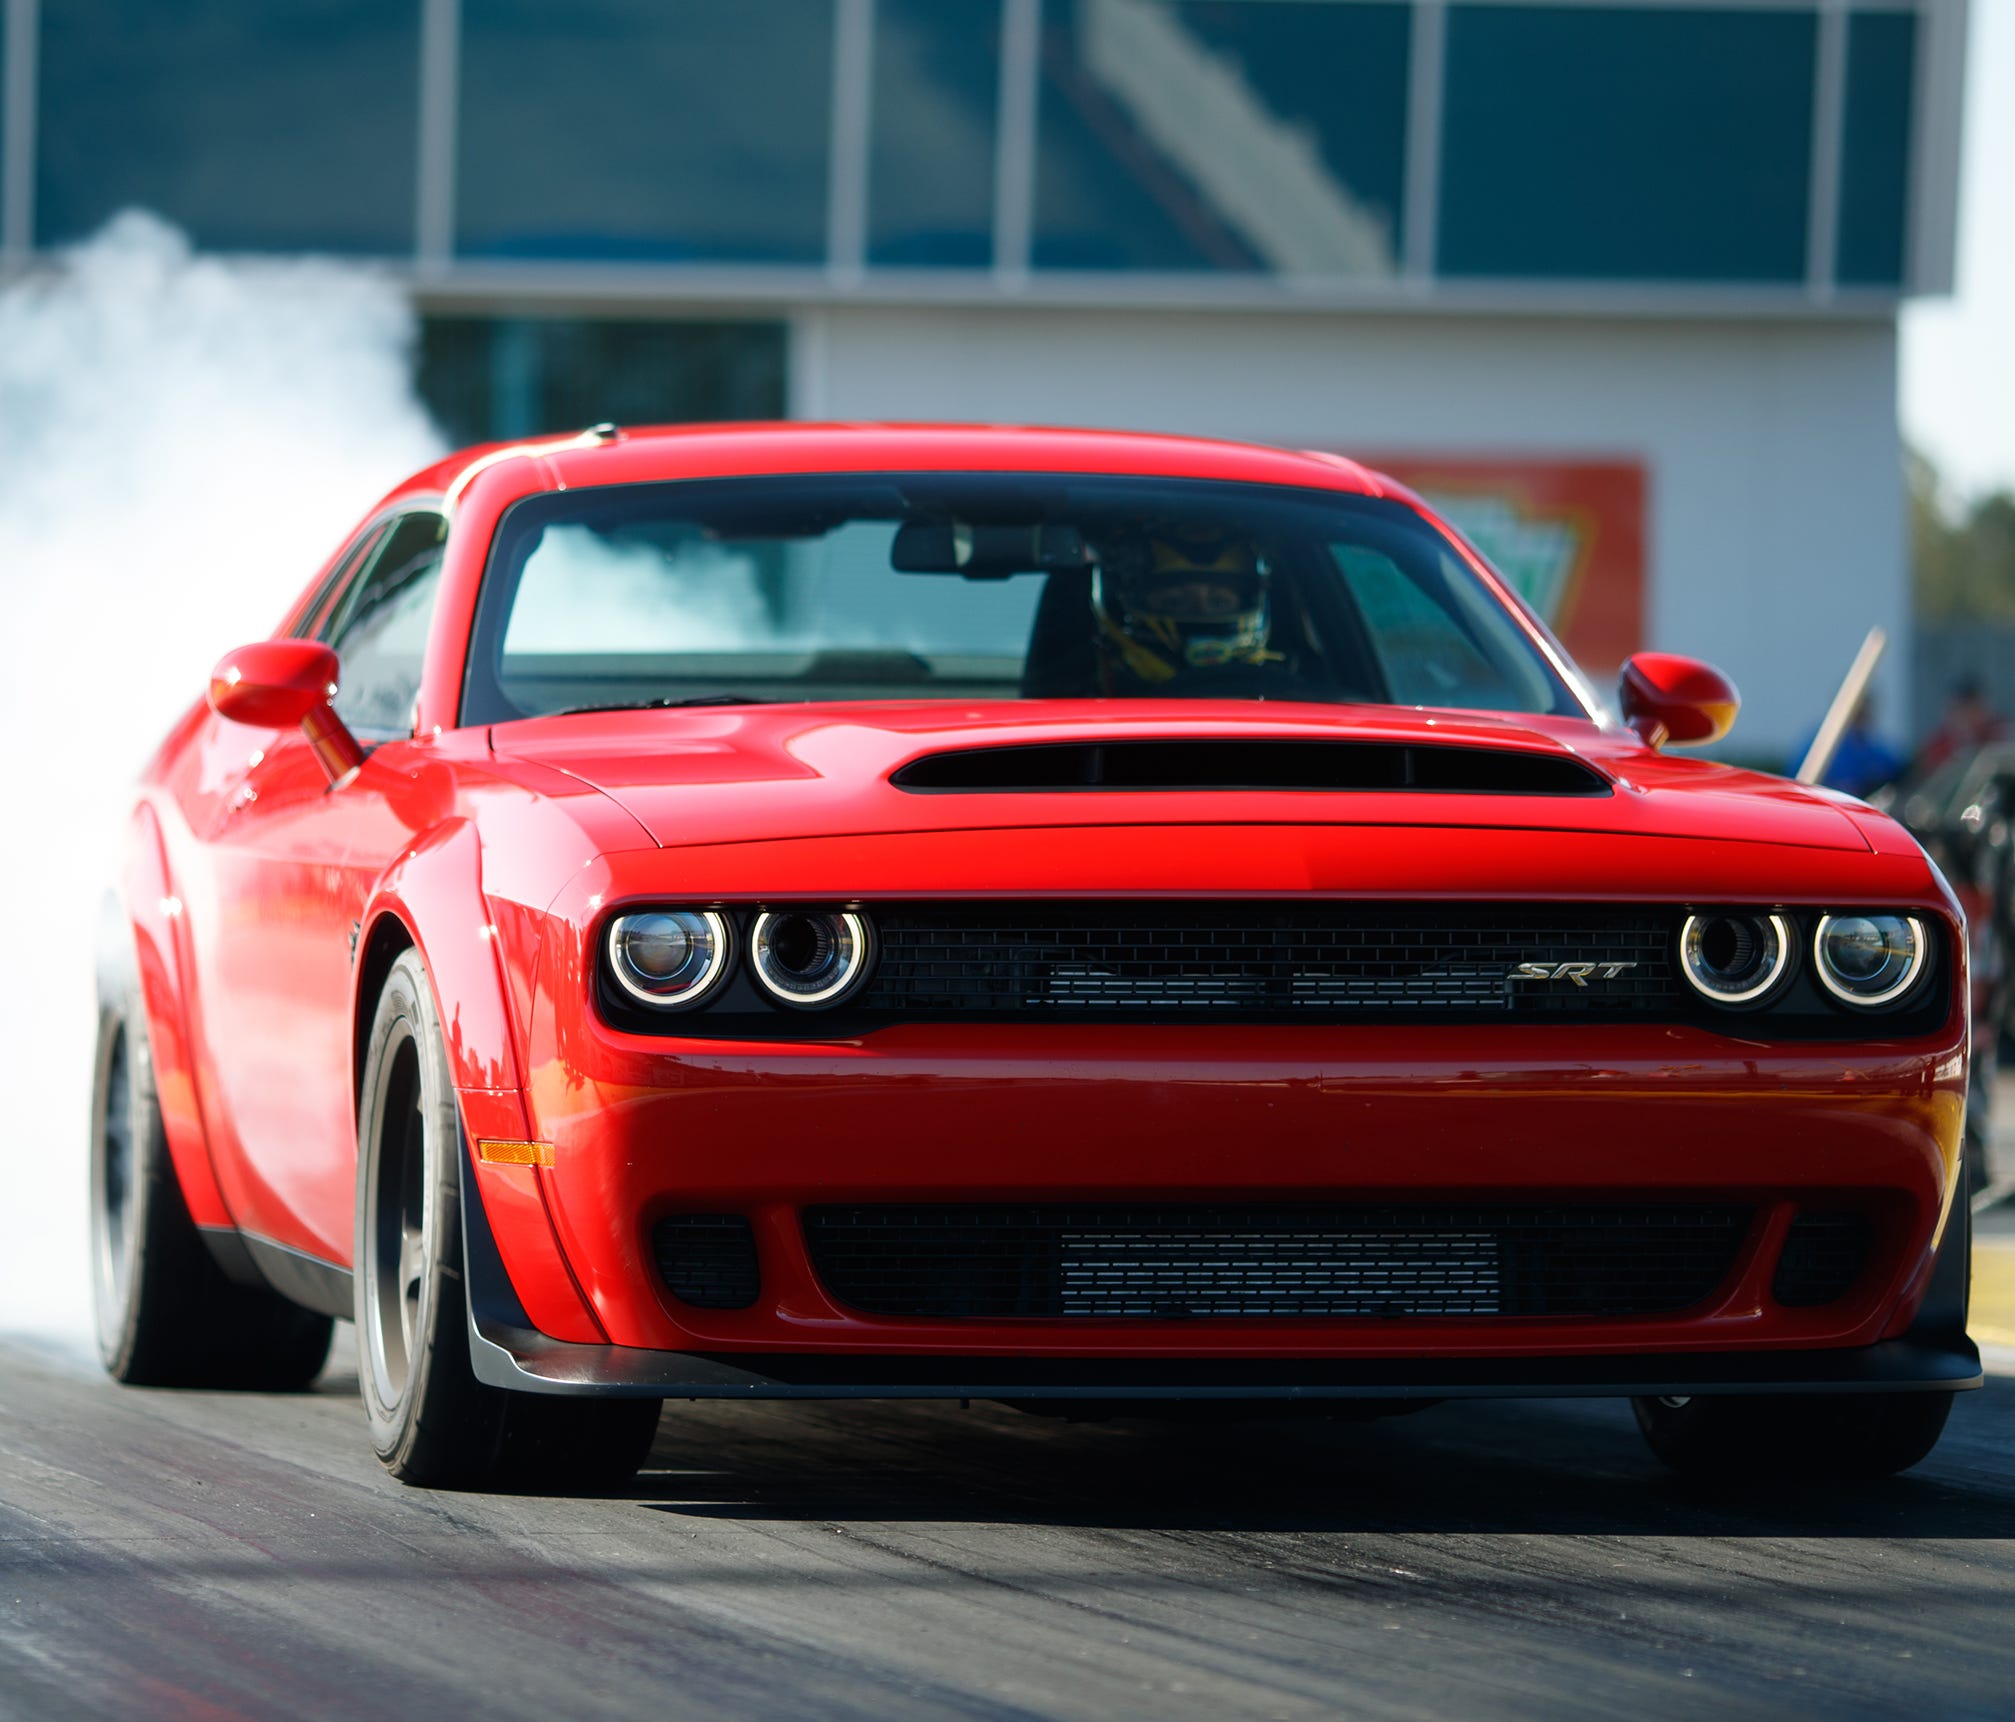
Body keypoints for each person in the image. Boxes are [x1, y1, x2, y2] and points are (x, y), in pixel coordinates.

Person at [1091, 527, 1279, 691]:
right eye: (1175, 603)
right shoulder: (1074, 690)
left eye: (1220, 602)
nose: (1202, 612)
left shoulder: (1288, 691)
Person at [1790, 692, 1906, 799]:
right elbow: (1800, 781)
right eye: (1857, 711)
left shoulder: (1875, 749)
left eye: (1864, 711)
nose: (1861, 716)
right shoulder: (1820, 744)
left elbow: (1896, 774)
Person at [1916, 674, 2008, 776]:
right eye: (1958, 711)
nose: (1965, 718)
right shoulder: (1937, 747)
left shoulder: (2002, 735)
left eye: (1972, 711)